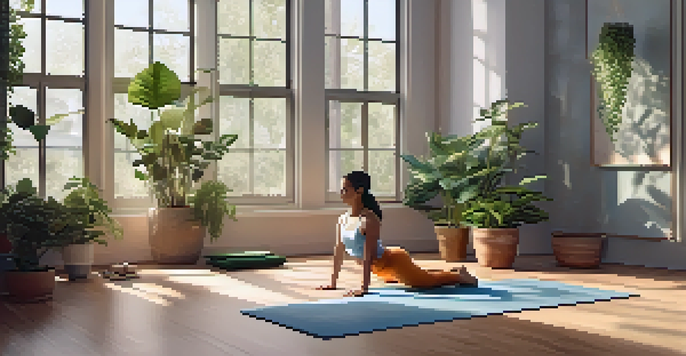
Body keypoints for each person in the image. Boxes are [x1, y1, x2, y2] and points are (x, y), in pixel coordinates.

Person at [316, 171, 478, 297]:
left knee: (426, 283)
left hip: (392, 262)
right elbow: (338, 251)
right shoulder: (342, 219)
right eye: (341, 189)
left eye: (345, 189)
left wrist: (364, 288)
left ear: (359, 191)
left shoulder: (369, 220)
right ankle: (456, 270)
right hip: (382, 271)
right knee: (415, 276)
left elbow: (368, 256)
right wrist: (332, 283)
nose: (341, 192)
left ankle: (459, 277)